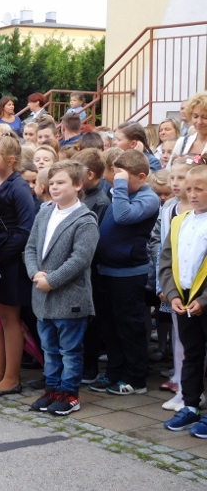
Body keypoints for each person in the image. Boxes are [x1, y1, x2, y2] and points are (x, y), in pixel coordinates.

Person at [25, 160, 100, 415]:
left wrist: (52, 280)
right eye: (52, 183)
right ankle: (52, 389)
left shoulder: (85, 220)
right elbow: (31, 247)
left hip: (70, 298)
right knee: (49, 348)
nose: (54, 187)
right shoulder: (45, 212)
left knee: (70, 350)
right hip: (42, 296)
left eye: (61, 182)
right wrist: (35, 272)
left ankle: (69, 394)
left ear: (77, 185)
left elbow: (80, 259)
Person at [90, 150, 159, 395]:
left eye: (122, 177)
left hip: (129, 274)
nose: (116, 181)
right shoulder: (120, 193)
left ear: (141, 177)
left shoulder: (149, 198)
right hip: (106, 271)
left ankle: (136, 378)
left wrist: (118, 186)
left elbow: (122, 216)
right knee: (110, 327)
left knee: (129, 328)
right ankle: (114, 372)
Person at [0, 136, 36, 396]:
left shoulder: (19, 187)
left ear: (11, 160)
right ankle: (0, 371)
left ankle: (12, 377)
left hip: (11, 262)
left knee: (9, 317)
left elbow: (25, 229)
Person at [160, 165, 207, 437]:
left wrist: (204, 299)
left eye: (199, 188)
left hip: (204, 300)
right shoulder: (180, 221)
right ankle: (190, 405)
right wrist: (173, 294)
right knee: (192, 354)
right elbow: (166, 261)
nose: (192, 194)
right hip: (185, 300)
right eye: (189, 189)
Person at [171, 92, 207, 164]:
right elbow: (170, 169)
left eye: (205, 117)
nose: (199, 122)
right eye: (195, 116)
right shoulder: (182, 142)